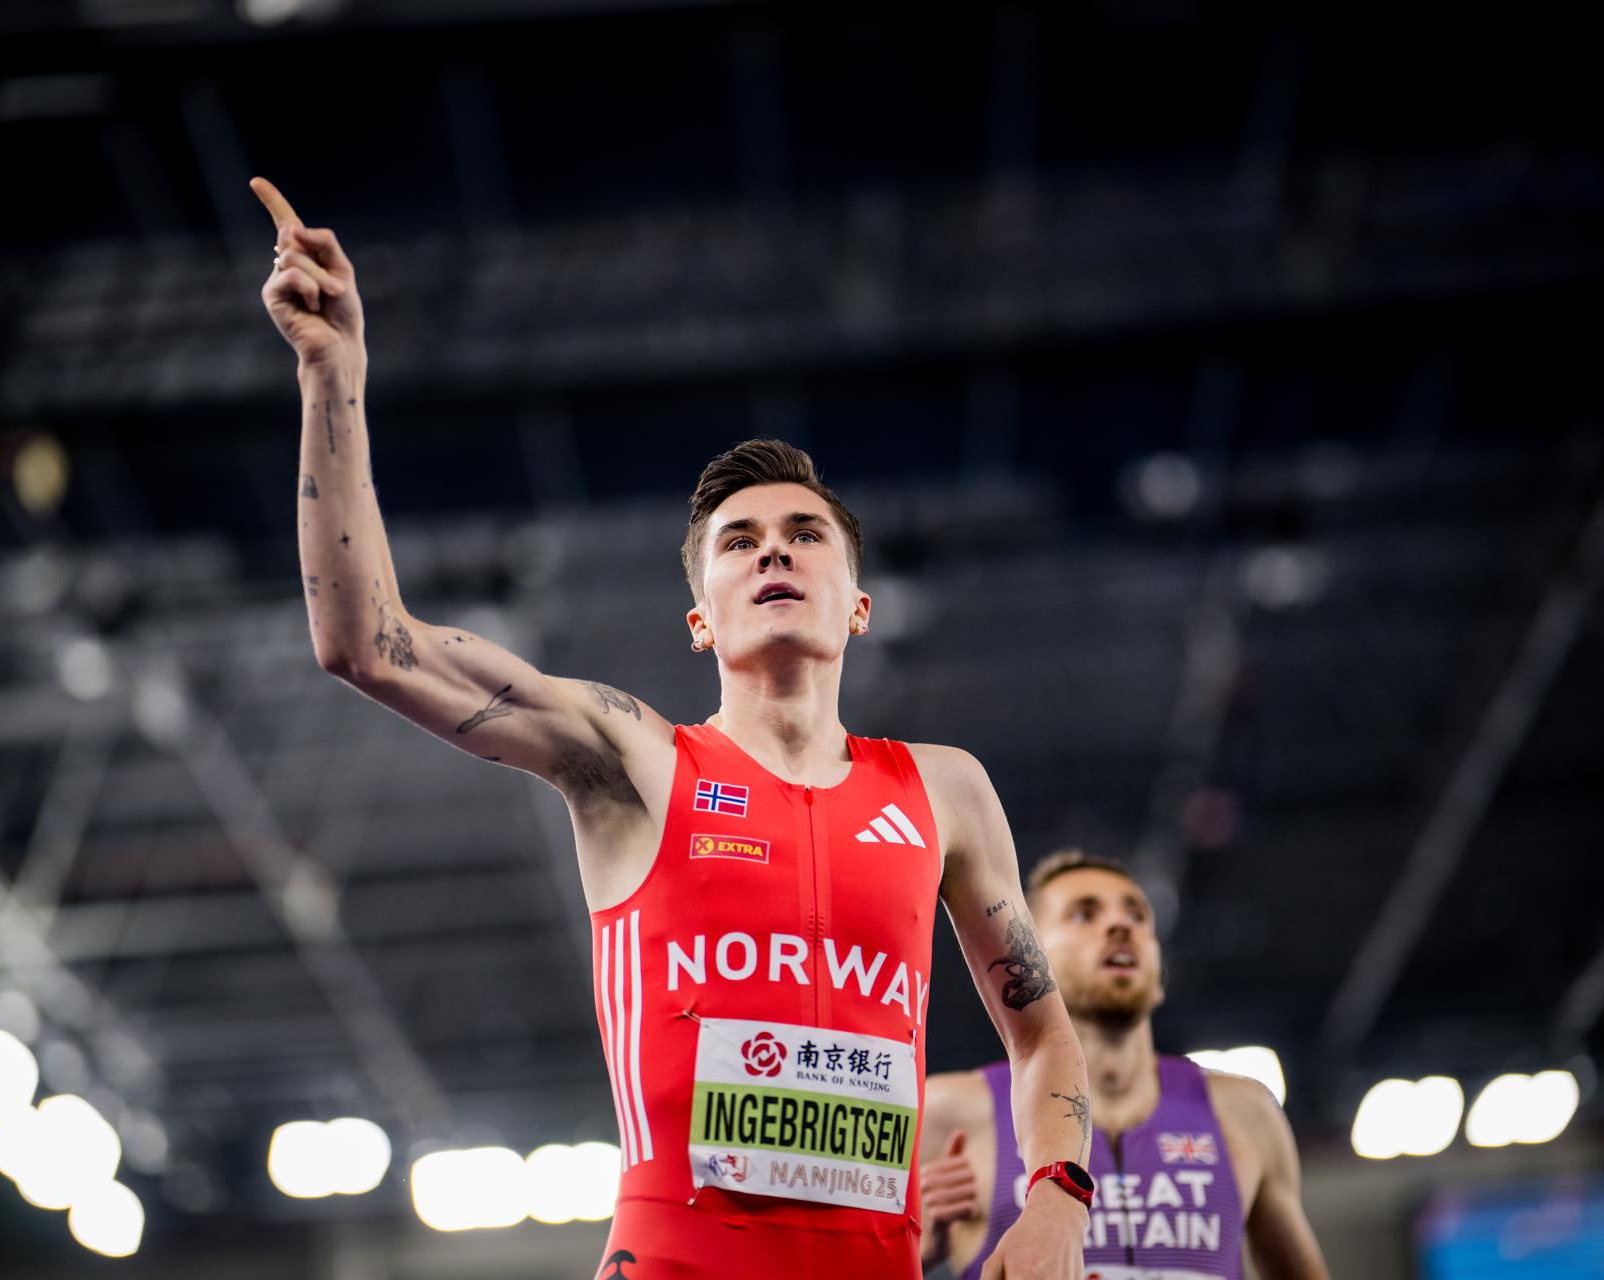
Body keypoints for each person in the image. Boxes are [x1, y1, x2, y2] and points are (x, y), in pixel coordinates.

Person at [251, 176, 1093, 1279]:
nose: (774, 552)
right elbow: (366, 640)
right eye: (740, 542)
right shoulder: (637, 758)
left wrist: (1058, 1199)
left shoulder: (944, 790)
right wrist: (332, 375)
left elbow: (1043, 1030)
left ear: (859, 604)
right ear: (700, 619)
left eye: (804, 536)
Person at [919, 852, 1330, 1279]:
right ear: (1030, 952)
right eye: (1084, 914)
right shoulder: (950, 1113)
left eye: (1137, 916)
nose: (1121, 926)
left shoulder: (1247, 1112)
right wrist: (918, 1255)